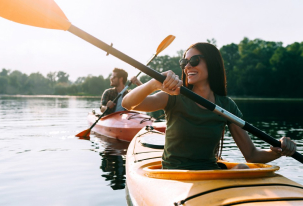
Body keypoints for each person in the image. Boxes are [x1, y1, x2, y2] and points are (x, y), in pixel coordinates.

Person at [122, 42, 296, 170]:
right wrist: (153, 84)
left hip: (210, 174)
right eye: (184, 63)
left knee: (243, 168)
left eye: (195, 60)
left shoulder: (227, 106)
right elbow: (127, 103)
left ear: (212, 63)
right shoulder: (174, 96)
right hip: (174, 175)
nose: (188, 66)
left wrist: (279, 150)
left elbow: (251, 155)